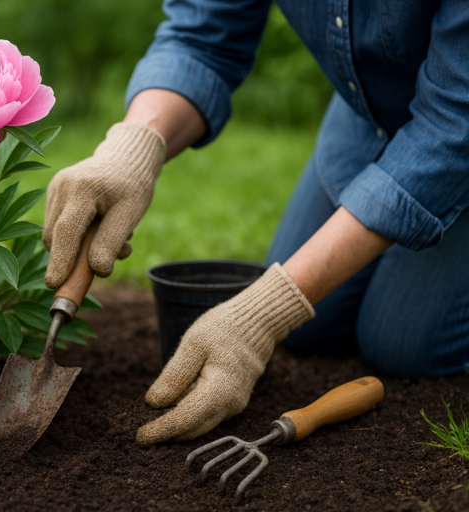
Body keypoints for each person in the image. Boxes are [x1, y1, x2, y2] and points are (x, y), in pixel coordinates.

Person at [42, 0, 469, 446]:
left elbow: (452, 128)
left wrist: (268, 311)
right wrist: (134, 147)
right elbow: (203, 34)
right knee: (312, 328)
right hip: (372, 107)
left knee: (401, 342)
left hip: (456, 123)